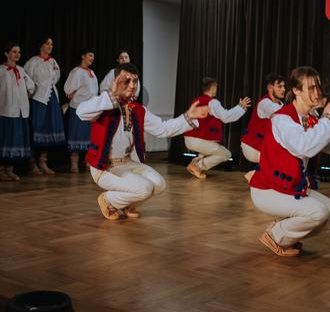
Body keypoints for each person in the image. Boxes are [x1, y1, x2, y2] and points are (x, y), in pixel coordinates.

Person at [248, 66, 330, 256]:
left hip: (293, 187)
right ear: (296, 91)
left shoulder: (311, 118)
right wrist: (327, 120)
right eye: (311, 87)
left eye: (318, 87)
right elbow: (303, 146)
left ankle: (284, 232)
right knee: (318, 213)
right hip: (269, 190)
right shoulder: (282, 119)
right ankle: (275, 236)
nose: (317, 92)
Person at [77, 63, 209, 220]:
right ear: (116, 81)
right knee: (144, 188)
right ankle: (108, 200)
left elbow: (163, 128)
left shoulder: (138, 110)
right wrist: (112, 94)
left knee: (159, 184)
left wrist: (189, 116)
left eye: (135, 81)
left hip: (128, 163)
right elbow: (81, 112)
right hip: (105, 167)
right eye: (127, 81)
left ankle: (127, 204)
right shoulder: (103, 104)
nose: (132, 85)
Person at [0, 42, 35, 182]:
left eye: (19, 52)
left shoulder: (21, 70)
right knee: (3, 140)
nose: (17, 54)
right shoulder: (1, 70)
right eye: (14, 51)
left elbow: (31, 87)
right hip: (4, 113)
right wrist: (1, 101)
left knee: (14, 141)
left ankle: (10, 170)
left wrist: (24, 96)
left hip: (18, 112)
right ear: (7, 54)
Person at [183, 77, 251, 179]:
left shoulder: (197, 100)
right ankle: (197, 166)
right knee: (226, 154)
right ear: (213, 87)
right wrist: (240, 107)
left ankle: (195, 163)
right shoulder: (212, 102)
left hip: (190, 138)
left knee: (211, 147)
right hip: (198, 140)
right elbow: (226, 117)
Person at [24, 37, 65, 174]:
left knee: (49, 128)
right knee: (37, 128)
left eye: (51, 44)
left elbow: (56, 77)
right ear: (41, 45)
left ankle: (43, 162)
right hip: (38, 98)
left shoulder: (53, 61)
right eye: (47, 43)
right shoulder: (33, 62)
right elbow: (27, 78)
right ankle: (32, 163)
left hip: (51, 97)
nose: (50, 46)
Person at [64, 48, 99, 173]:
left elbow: (95, 91)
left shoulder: (92, 73)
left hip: (90, 109)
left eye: (93, 56)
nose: (92, 58)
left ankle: (88, 161)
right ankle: (74, 163)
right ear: (83, 56)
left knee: (89, 136)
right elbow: (68, 89)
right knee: (77, 134)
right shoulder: (77, 71)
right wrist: (71, 93)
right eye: (90, 55)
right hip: (79, 108)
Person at [241, 73, 285, 164]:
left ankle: (257, 172)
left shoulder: (281, 104)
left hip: (263, 146)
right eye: (280, 86)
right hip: (253, 146)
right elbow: (283, 115)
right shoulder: (265, 103)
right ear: (270, 88)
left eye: (284, 86)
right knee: (284, 161)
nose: (283, 89)